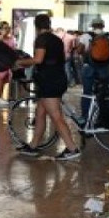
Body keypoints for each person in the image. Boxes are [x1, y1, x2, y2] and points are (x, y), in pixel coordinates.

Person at [17, 13, 80, 160]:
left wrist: (20, 62)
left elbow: (38, 59)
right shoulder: (56, 39)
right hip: (58, 78)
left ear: (36, 26)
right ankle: (33, 146)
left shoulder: (42, 39)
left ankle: (72, 148)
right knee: (40, 113)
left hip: (49, 81)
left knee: (56, 116)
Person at [79, 19, 109, 94]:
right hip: (105, 65)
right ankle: (101, 100)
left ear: (92, 26)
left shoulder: (85, 36)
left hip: (89, 65)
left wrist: (86, 54)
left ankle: (87, 101)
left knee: (87, 90)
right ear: (103, 26)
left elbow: (79, 50)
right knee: (103, 89)